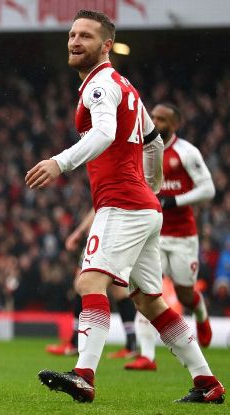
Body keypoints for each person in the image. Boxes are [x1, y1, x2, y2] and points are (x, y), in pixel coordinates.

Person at [27, 10, 224, 403]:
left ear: (106, 46)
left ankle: (84, 375)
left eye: (85, 36)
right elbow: (153, 142)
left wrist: (59, 162)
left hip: (121, 204)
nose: (75, 41)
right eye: (72, 34)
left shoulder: (100, 85)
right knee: (150, 302)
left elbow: (104, 133)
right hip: (143, 207)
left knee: (89, 282)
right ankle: (208, 383)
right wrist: (151, 187)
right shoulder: (125, 86)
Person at [126, 103, 216, 371]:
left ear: (175, 125)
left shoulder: (187, 152)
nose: (155, 121)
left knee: (185, 295)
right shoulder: (142, 149)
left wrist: (175, 200)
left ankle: (200, 313)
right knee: (146, 293)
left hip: (183, 237)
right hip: (153, 234)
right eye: (153, 117)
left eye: (162, 119)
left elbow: (208, 189)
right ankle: (147, 357)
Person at [46, 209, 138, 358]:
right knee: (118, 289)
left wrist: (79, 231)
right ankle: (131, 344)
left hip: (104, 235)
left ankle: (75, 341)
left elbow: (98, 207)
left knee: (81, 283)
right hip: (122, 234)